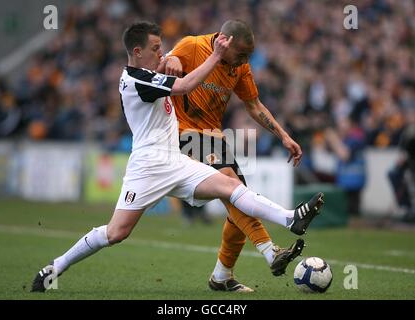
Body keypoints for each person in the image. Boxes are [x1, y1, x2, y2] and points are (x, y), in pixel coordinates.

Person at [31, 21, 323, 292]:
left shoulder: (156, 69)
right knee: (116, 232)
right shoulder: (137, 80)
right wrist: (211, 56)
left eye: (162, 47)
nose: (162, 52)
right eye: (156, 49)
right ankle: (57, 265)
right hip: (149, 166)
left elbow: (177, 62)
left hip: (177, 159)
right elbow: (183, 85)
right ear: (137, 52)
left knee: (233, 188)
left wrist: (171, 58)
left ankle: (290, 219)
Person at [160, 19, 324, 292]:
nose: (245, 61)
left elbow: (254, 105)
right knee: (233, 189)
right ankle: (272, 249)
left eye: (249, 55)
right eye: (242, 54)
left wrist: (283, 135)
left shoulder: (240, 67)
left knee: (241, 199)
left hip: (214, 137)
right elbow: (165, 63)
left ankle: (222, 276)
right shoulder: (191, 45)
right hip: (182, 132)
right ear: (224, 41)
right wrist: (171, 58)